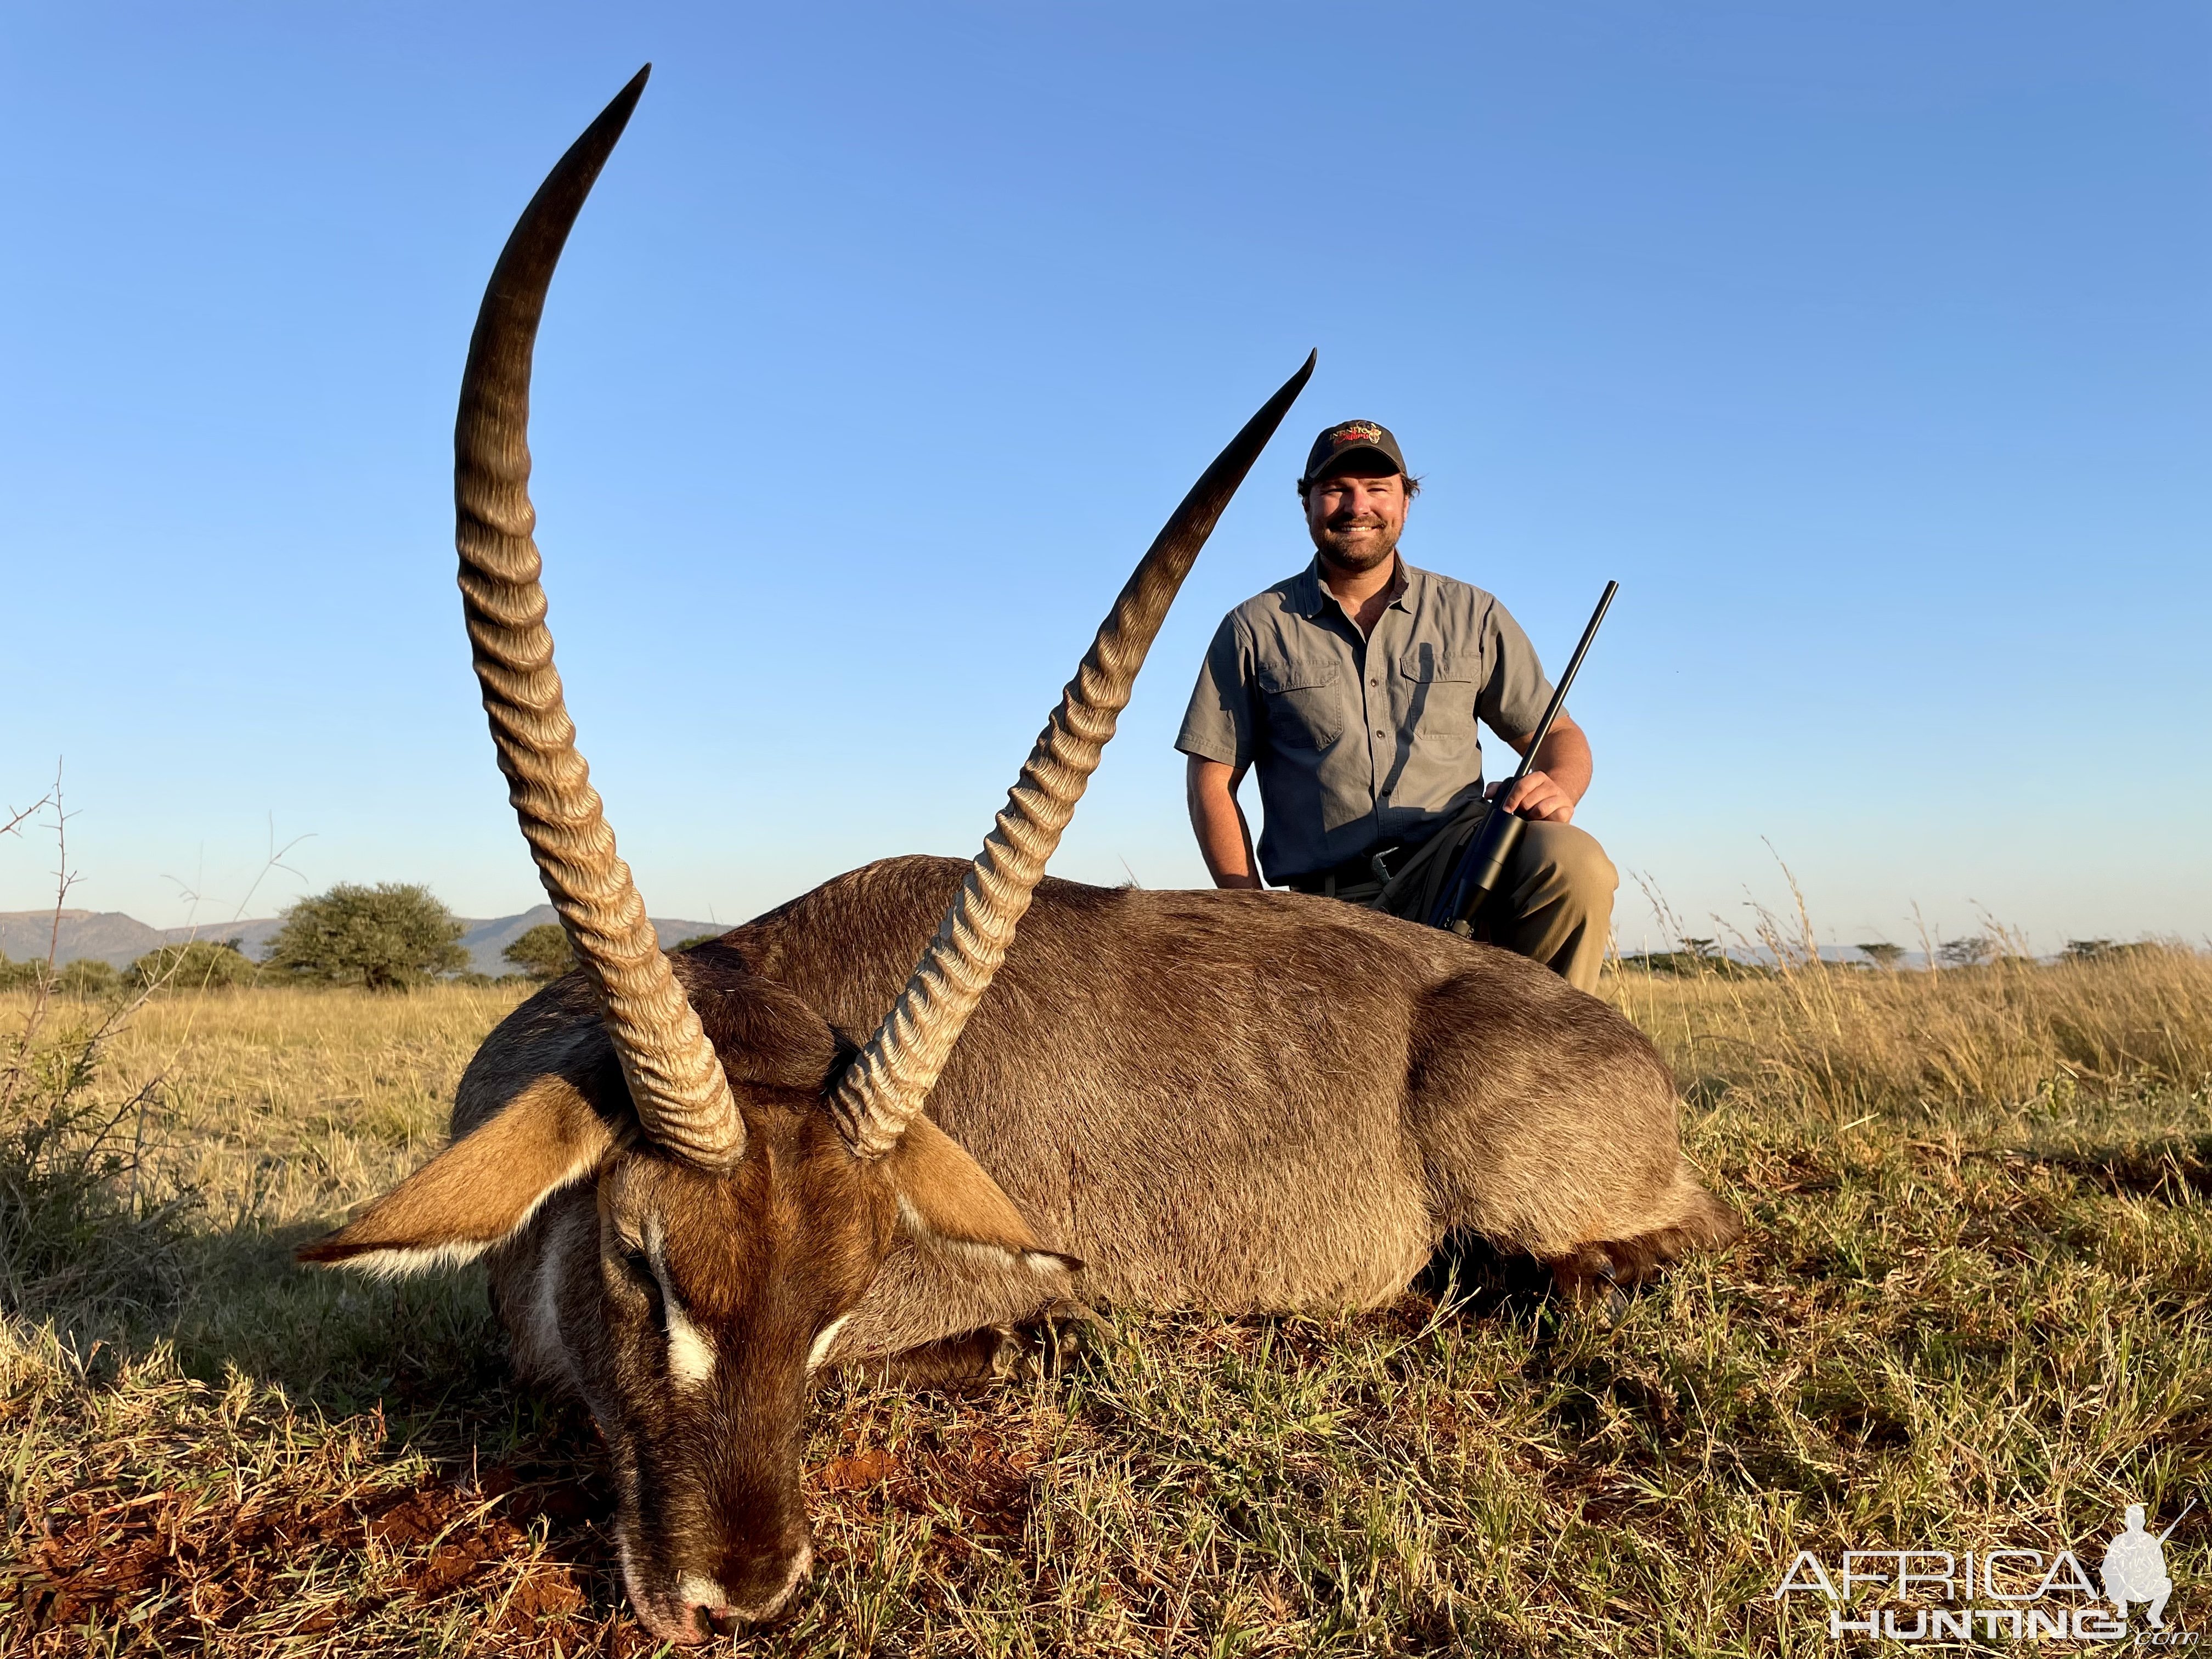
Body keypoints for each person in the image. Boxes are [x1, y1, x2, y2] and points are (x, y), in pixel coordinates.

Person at [1176, 418, 1617, 993]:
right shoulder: (1253, 629)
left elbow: (1560, 736)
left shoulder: (1473, 615)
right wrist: (1250, 919)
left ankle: (1554, 1064)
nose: (1357, 505)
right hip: (1328, 910)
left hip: (1459, 871)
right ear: (1306, 501)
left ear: (1406, 501)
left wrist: (1560, 784)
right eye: (1336, 489)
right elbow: (1210, 781)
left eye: (1378, 488)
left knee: (1574, 863)